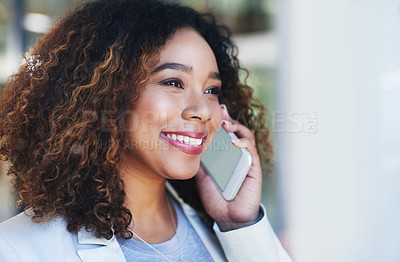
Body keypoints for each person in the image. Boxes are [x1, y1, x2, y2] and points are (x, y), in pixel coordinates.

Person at [0, 0, 292, 261]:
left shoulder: (225, 230)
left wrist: (239, 224)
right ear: (107, 93)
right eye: (174, 82)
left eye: (211, 90)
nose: (202, 110)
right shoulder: (16, 250)